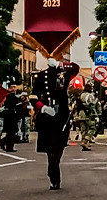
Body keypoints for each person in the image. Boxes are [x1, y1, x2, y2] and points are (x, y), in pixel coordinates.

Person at [30, 58, 80, 190]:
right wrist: (43, 107)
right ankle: (53, 174)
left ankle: (53, 167)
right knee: (50, 149)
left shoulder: (64, 73)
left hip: (61, 115)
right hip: (47, 116)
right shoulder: (42, 75)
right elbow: (33, 97)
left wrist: (60, 64)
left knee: (59, 146)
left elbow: (76, 67)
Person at [72, 83, 99, 151]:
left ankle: (85, 144)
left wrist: (76, 115)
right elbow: (92, 105)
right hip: (89, 114)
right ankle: (85, 140)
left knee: (83, 129)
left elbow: (75, 106)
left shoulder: (80, 96)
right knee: (92, 128)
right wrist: (96, 115)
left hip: (81, 114)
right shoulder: (90, 96)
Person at [0, 88, 23, 153]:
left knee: (10, 134)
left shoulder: (7, 98)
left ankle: (8, 146)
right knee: (11, 134)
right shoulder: (13, 98)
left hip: (8, 117)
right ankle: (6, 144)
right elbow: (17, 105)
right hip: (11, 116)